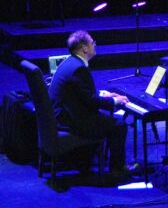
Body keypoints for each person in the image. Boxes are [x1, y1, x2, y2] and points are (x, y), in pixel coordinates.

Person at [48, 30, 133, 176]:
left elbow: (80, 92)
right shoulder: (79, 68)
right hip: (70, 121)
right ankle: (117, 170)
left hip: (62, 115)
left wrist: (104, 94)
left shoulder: (69, 62)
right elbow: (90, 101)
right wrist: (114, 101)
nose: (95, 45)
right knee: (119, 125)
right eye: (92, 42)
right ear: (84, 48)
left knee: (109, 120)